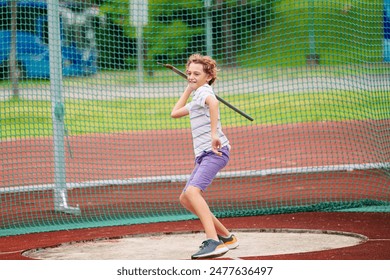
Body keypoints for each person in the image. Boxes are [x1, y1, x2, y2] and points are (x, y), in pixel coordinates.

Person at [171, 54, 239, 259]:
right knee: (185, 198)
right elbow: (175, 113)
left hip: (214, 152)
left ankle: (214, 242)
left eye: (196, 74)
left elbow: (214, 103)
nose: (191, 76)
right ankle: (227, 237)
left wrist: (214, 134)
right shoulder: (197, 95)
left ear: (208, 76)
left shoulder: (204, 92)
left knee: (193, 193)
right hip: (204, 155)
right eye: (189, 73)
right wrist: (189, 87)